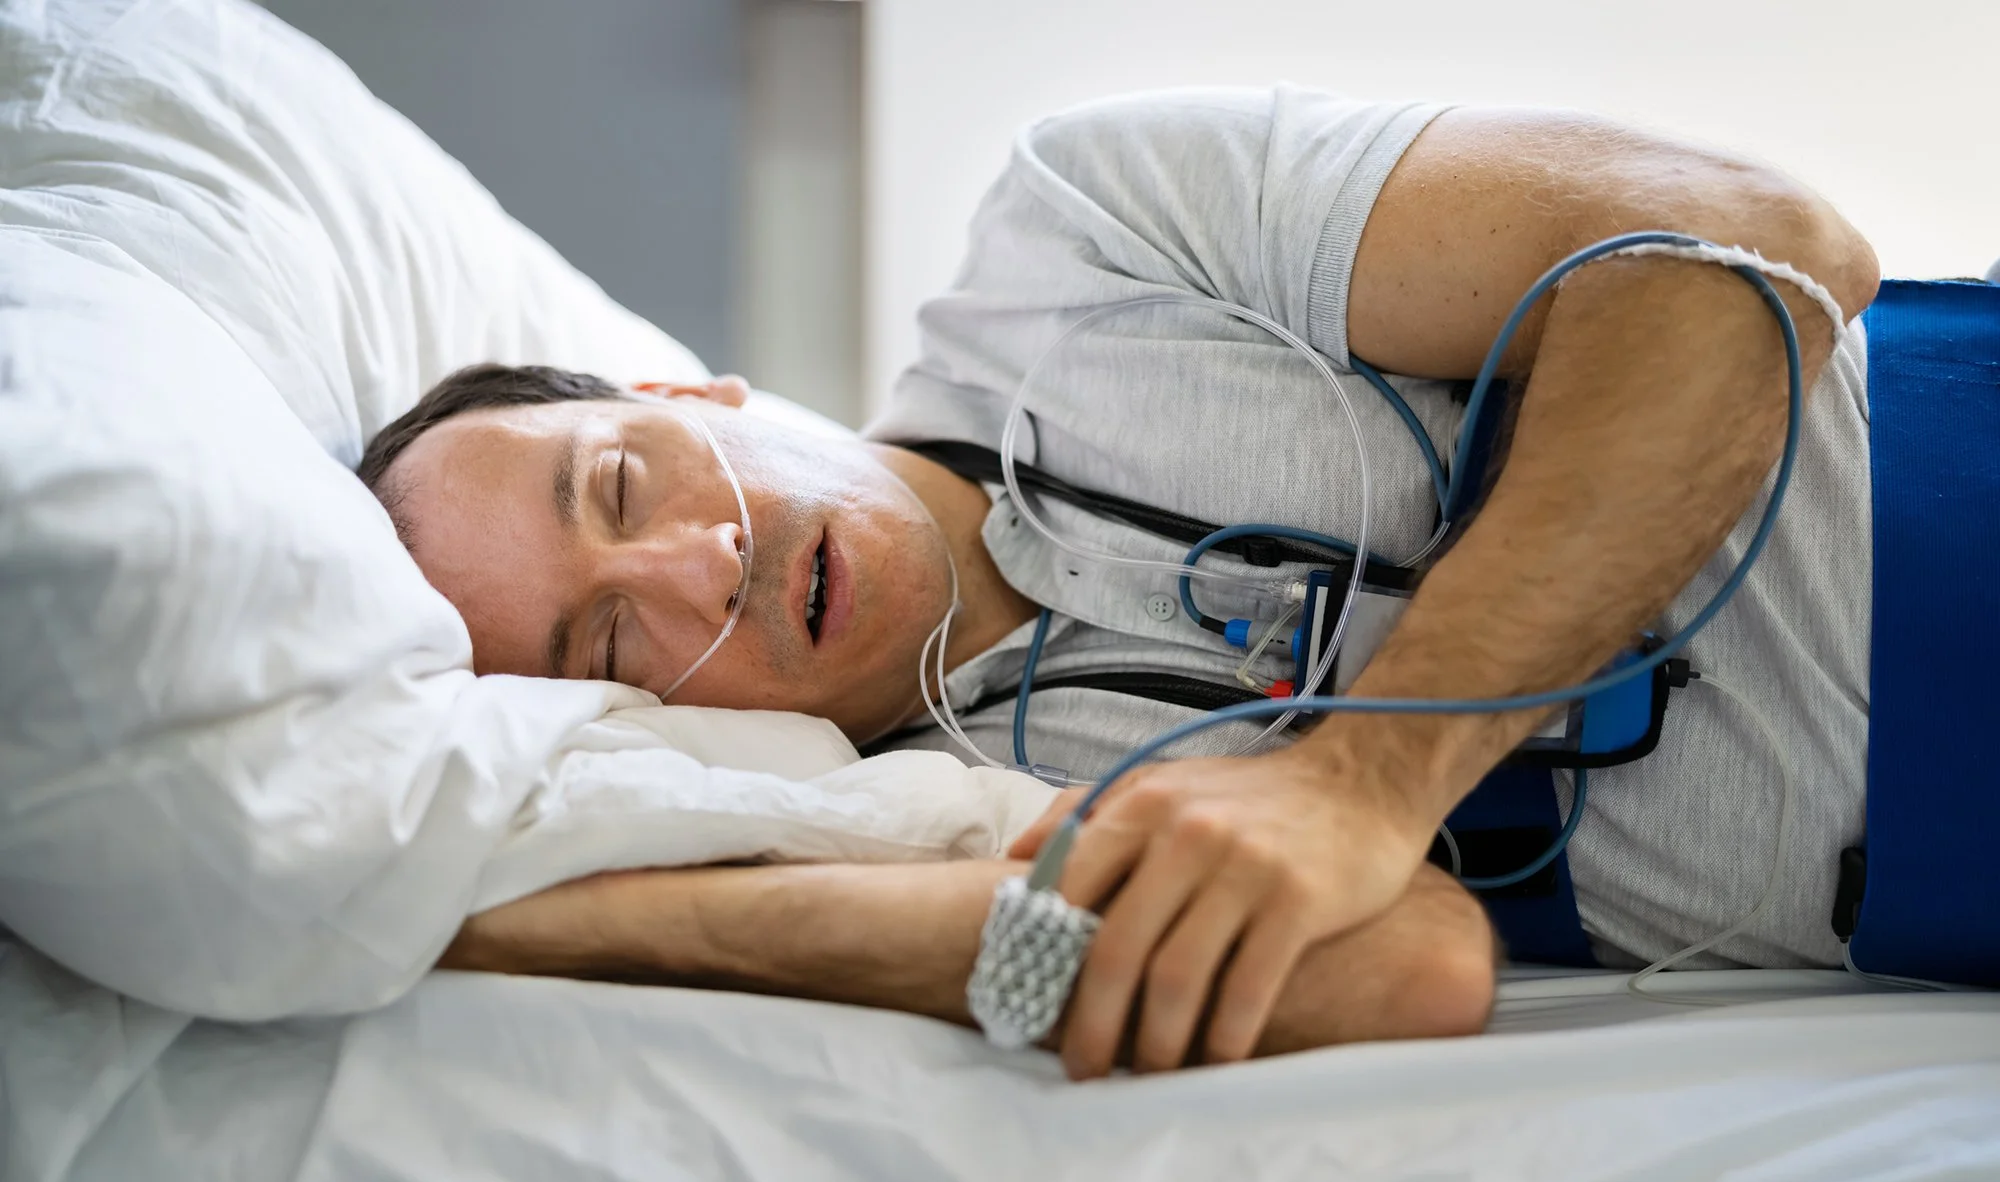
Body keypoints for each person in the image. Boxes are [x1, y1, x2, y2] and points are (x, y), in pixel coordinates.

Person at [358, 90, 1889, 1079]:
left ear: (693, 399)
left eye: (626, 485)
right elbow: (1406, 968)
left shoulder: (1086, 234)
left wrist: (1366, 781)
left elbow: (1746, 252)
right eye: (617, 641)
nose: (708, 567)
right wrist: (548, 925)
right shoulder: (924, 828)